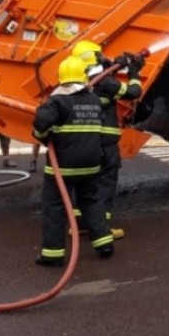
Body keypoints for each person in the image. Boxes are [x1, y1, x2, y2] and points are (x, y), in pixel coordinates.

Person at [32, 55, 114, 266]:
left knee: (55, 206)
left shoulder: (58, 100)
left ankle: (53, 254)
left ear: (61, 77)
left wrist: (43, 137)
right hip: (92, 164)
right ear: (83, 76)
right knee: (92, 201)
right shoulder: (94, 100)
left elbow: (41, 123)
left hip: (63, 166)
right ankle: (104, 243)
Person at [72, 40, 144, 240]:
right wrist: (134, 72)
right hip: (104, 144)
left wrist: (116, 63)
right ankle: (101, 228)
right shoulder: (106, 82)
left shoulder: (78, 82)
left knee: (85, 185)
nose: (103, 57)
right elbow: (134, 93)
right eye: (100, 54)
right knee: (105, 184)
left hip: (83, 143)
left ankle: (80, 225)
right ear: (94, 57)